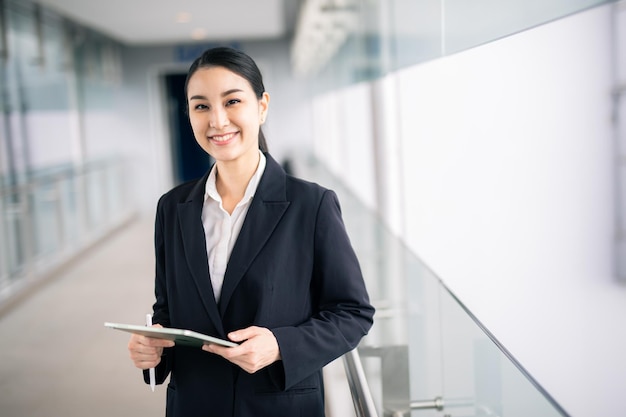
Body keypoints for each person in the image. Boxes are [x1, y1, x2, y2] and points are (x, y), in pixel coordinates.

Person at [127, 46, 374, 417]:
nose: (218, 120)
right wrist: (152, 351)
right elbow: (166, 310)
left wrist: (280, 345)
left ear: (261, 106)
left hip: (277, 406)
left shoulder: (311, 205)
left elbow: (352, 312)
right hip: (193, 405)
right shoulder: (172, 208)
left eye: (232, 101)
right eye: (201, 106)